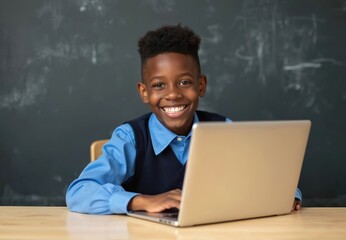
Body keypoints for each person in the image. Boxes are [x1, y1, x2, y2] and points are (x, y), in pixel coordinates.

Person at [66, 24, 302, 214]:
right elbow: (78, 192)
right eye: (159, 85)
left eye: (185, 82)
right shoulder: (131, 138)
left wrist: (287, 195)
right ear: (144, 92)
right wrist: (142, 201)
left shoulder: (224, 130)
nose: (173, 94)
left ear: (201, 85)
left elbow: (271, 180)